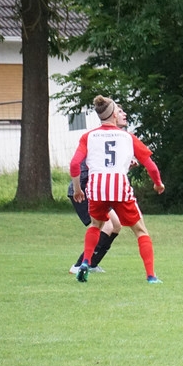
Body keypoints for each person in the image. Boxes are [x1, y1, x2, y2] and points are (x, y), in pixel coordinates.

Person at [69, 95, 166, 284]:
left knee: (96, 226)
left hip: (96, 188)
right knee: (140, 231)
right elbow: (151, 166)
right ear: (114, 114)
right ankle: (151, 276)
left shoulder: (88, 136)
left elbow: (74, 164)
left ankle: (85, 263)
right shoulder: (127, 137)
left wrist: (78, 189)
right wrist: (158, 183)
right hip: (119, 187)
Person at [67, 103, 128, 275]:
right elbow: (77, 165)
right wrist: (78, 189)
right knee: (107, 225)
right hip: (86, 188)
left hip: (99, 190)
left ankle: (92, 264)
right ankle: (80, 265)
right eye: (120, 111)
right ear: (113, 115)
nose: (124, 114)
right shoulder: (98, 136)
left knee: (116, 225)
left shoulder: (120, 137)